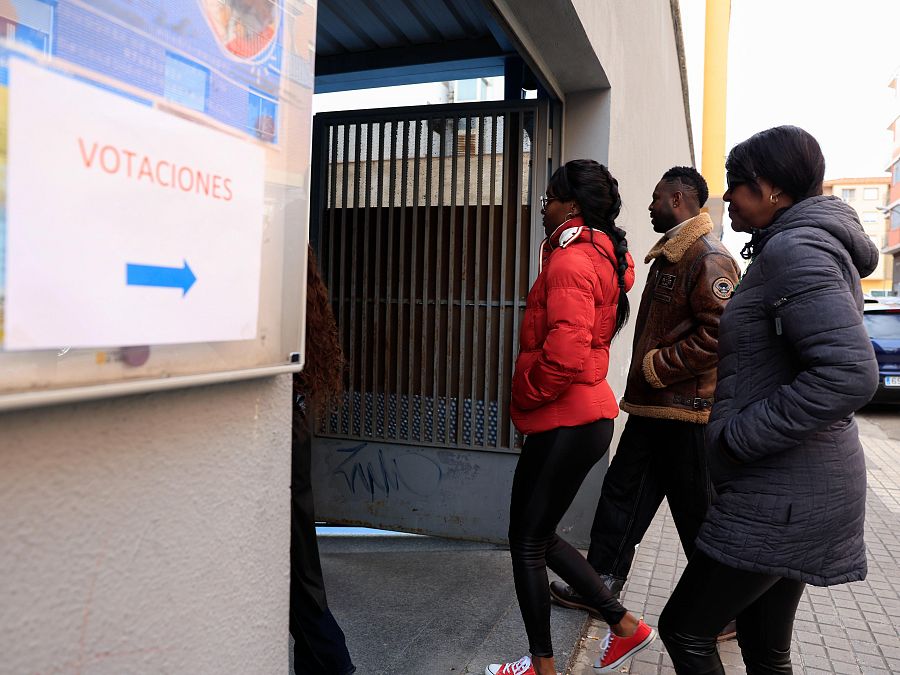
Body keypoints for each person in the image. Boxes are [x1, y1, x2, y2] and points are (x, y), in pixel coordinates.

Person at [658, 126, 879, 673]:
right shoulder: (798, 246)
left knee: (684, 629)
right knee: (763, 647)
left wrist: (737, 438)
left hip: (782, 494)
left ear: (772, 189)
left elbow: (849, 373)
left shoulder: (797, 250)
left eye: (736, 185)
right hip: (796, 488)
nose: (726, 197)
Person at [549, 167, 741, 639]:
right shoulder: (676, 254)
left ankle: (724, 611)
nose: (650, 206)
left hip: (686, 413)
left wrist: (657, 367)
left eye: (656, 198)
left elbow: (719, 335)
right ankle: (602, 586)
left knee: (697, 511)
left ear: (678, 199)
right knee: (620, 496)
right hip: (653, 409)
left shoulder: (708, 256)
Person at [486, 160, 656, 675]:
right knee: (539, 535)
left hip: (566, 418)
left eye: (550, 200)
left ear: (573, 206)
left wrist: (527, 390)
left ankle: (542, 667)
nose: (544, 209)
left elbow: (564, 353)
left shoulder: (570, 264)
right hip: (584, 418)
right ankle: (625, 626)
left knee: (526, 541)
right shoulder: (599, 260)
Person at [290, 246, 356, 675]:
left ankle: (336, 667)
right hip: (292, 429)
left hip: (282, 438)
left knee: (300, 581)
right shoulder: (296, 276)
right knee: (302, 575)